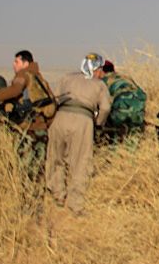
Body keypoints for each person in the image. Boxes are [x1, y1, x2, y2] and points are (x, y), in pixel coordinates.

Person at [45, 53, 112, 214]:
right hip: (83, 121)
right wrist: (98, 123)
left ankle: (57, 194)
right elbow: (105, 108)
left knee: (56, 157)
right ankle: (76, 204)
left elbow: (54, 99)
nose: (101, 73)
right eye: (100, 69)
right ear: (95, 69)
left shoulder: (67, 78)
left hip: (60, 118)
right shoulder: (99, 85)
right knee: (81, 162)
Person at [0, 50, 56, 179]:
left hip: (28, 129)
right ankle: (37, 197)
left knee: (25, 170)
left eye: (16, 61)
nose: (14, 65)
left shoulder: (24, 74)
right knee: (39, 170)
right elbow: (52, 104)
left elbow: (15, 90)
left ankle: (25, 198)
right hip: (41, 129)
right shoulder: (40, 79)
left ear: (25, 63)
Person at [98, 60, 147, 147]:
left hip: (120, 110)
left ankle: (113, 151)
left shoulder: (103, 81)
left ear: (101, 71)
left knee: (110, 126)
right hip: (139, 110)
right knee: (134, 133)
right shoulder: (126, 77)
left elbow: (100, 104)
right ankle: (132, 150)